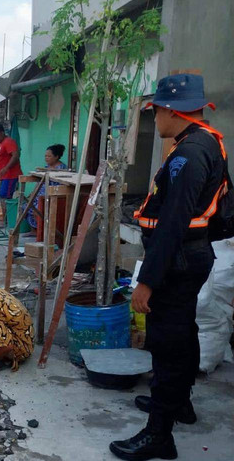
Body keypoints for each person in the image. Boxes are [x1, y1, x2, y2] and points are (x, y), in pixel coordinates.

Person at [110, 74, 227, 461]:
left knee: (166, 344)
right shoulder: (203, 143)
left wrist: (147, 281)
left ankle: (159, 434)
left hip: (177, 260)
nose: (154, 119)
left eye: (156, 111)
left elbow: (175, 221)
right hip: (189, 256)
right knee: (183, 334)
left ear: (170, 110)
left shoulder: (190, 154)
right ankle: (180, 404)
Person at [26, 144, 67, 230]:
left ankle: (41, 232)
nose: (46, 158)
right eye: (45, 156)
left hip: (52, 195)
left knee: (38, 209)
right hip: (41, 195)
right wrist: (33, 193)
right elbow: (40, 182)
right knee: (26, 206)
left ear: (56, 157)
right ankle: (35, 231)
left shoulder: (62, 168)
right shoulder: (46, 167)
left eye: (49, 156)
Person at [0, 123, 21, 221]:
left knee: (5, 196)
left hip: (11, 175)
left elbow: (15, 156)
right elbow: (2, 158)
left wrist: (6, 168)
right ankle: (5, 218)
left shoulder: (8, 142)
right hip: (4, 175)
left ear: (2, 133)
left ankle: (8, 219)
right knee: (3, 196)